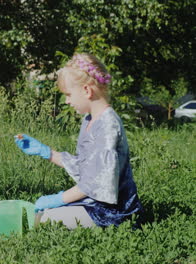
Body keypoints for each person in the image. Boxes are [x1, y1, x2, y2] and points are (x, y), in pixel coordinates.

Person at [15, 53, 142, 229]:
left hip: (113, 211)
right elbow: (86, 168)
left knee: (40, 220)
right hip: (95, 202)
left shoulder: (107, 126)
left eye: (68, 94)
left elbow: (98, 184)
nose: (67, 101)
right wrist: (46, 152)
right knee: (37, 215)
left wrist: (58, 199)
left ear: (86, 90)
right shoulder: (90, 120)